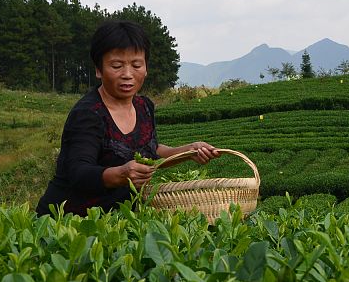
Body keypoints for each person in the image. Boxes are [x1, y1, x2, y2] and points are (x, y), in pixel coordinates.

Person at [36, 20, 218, 215]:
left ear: (146, 68)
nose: (128, 74)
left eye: (136, 65)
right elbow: (79, 173)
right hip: (68, 221)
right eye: (117, 66)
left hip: (117, 218)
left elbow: (151, 150)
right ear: (98, 69)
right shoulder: (88, 114)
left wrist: (188, 151)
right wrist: (121, 174)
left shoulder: (144, 107)